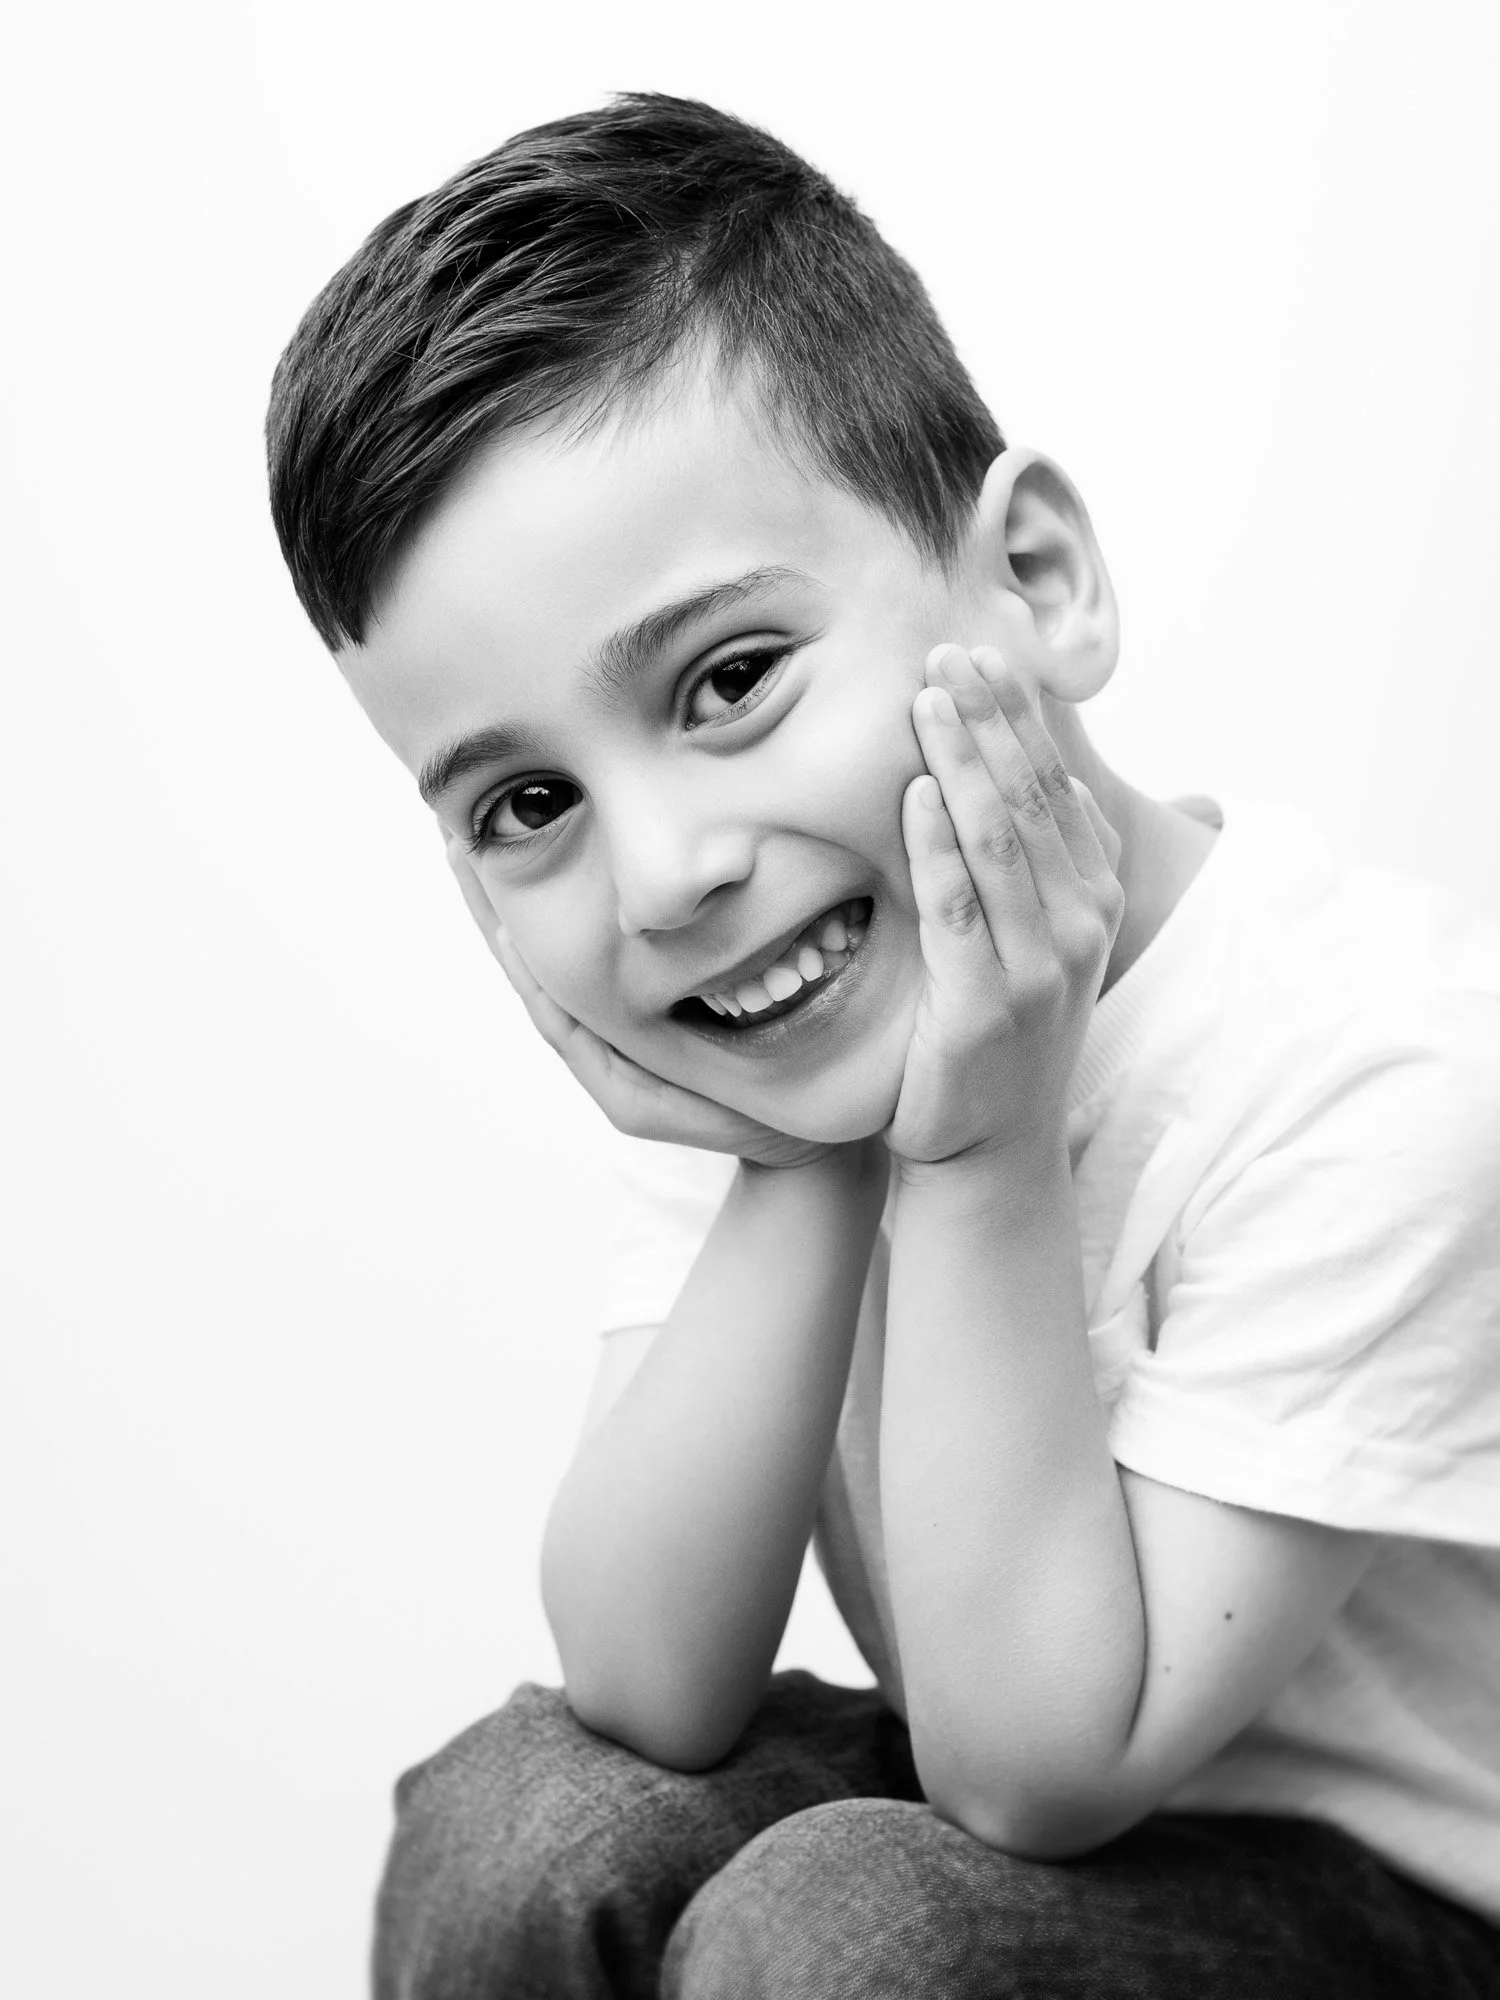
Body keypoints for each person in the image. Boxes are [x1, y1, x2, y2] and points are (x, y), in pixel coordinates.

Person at [266, 92, 1500, 1999]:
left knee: (852, 1924)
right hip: (1051, 1834)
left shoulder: (1379, 1070)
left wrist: (976, 1158)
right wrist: (796, 1160)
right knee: (534, 1817)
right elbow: (647, 1677)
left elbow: (1034, 1776)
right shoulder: (786, 1028)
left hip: (1397, 1913)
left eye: (732, 681)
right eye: (525, 807)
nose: (665, 877)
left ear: (1039, 583)